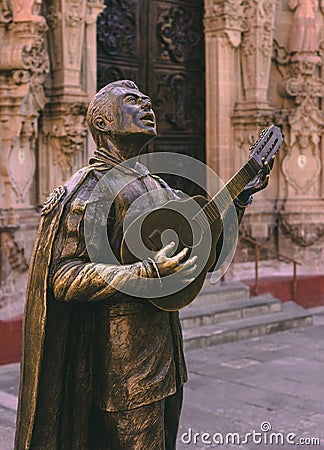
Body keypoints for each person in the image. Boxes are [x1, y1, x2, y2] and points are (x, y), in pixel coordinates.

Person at [15, 80, 272, 450]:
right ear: (102, 124)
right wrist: (142, 274)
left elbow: (202, 252)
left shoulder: (156, 186)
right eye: (134, 102)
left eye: (148, 101)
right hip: (122, 368)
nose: (148, 105)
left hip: (166, 356)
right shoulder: (90, 189)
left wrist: (239, 200)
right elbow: (63, 278)